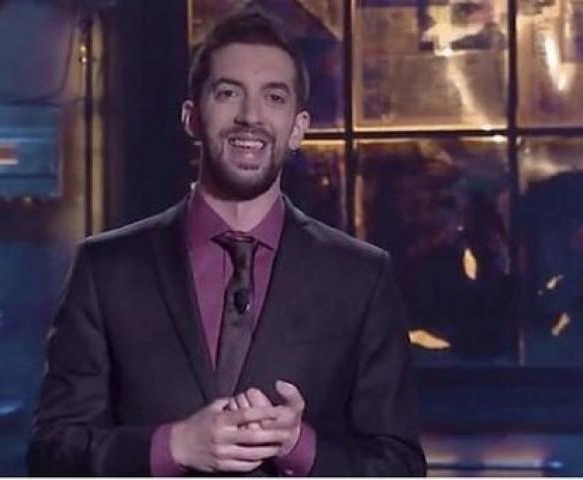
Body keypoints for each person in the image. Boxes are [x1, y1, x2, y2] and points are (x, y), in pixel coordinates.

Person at [27, 8, 426, 476]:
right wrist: (172, 446)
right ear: (192, 117)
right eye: (228, 93)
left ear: (298, 128)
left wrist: (299, 446)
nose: (250, 117)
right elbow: (52, 455)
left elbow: (401, 468)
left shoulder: (361, 278)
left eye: (273, 97)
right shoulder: (106, 269)